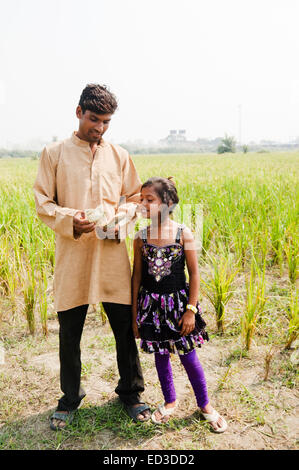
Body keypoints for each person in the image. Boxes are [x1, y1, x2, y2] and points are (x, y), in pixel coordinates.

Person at [33, 84, 150, 430]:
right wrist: (74, 220)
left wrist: (123, 217)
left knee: (125, 330)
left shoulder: (120, 155)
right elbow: (43, 203)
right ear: (78, 112)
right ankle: (70, 398)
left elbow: (135, 196)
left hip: (113, 256)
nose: (99, 128)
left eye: (106, 122)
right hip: (74, 257)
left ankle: (131, 393)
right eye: (94, 119)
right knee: (70, 333)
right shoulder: (53, 153)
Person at [131, 177, 228, 432]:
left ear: (168, 203)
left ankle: (205, 404)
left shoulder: (183, 233)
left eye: (149, 200)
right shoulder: (140, 238)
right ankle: (170, 401)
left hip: (178, 306)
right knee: (161, 357)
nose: (142, 204)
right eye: (141, 199)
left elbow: (194, 274)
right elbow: (137, 277)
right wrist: (134, 316)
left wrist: (191, 310)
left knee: (189, 357)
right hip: (151, 307)